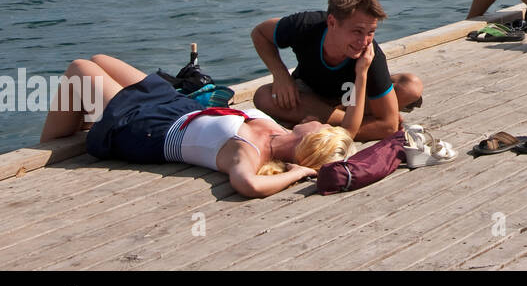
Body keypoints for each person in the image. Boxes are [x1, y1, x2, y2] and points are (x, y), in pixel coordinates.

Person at [41, 54, 353, 198]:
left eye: (319, 129)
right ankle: (86, 117)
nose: (315, 123)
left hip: (149, 129)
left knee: (80, 69)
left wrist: (298, 173)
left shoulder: (248, 152)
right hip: (179, 107)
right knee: (101, 60)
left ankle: (49, 145)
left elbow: (249, 185)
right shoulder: (280, 131)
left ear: (309, 143)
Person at [251, 0, 421, 141]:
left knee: (411, 87)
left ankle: (329, 120)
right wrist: (281, 75)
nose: (364, 41)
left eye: (371, 32)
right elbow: (259, 33)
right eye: (357, 31)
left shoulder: (371, 54)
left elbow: (389, 127)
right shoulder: (305, 25)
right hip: (310, 95)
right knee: (264, 97)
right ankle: (350, 118)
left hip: (353, 97)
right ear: (332, 22)